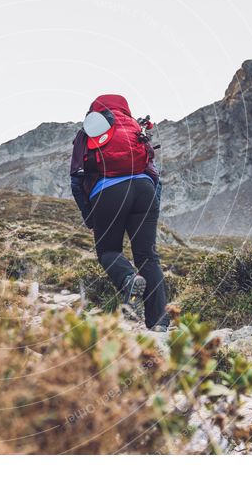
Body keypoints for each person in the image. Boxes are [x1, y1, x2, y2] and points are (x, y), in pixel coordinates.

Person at [70, 94, 169, 332]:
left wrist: (89, 215)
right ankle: (159, 324)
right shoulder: (135, 128)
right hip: (145, 188)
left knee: (108, 250)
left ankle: (128, 279)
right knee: (148, 257)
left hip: (109, 191)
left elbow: (76, 178)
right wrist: (152, 204)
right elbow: (155, 174)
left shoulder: (88, 132)